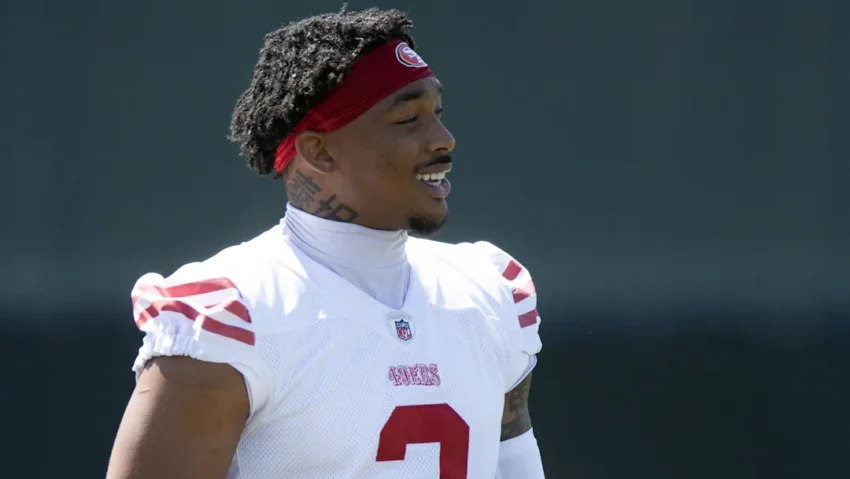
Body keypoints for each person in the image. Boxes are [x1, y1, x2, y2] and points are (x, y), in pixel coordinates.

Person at [106, 7, 544, 479]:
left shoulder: (489, 291)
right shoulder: (232, 314)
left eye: (436, 114)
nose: (443, 139)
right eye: (407, 120)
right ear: (319, 151)